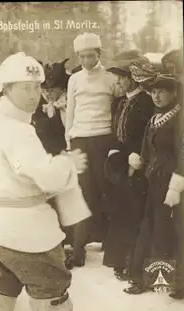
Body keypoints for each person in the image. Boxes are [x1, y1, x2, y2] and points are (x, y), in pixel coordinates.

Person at [0, 53, 89, 311]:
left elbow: (16, 171)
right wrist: (66, 164)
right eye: (25, 87)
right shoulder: (17, 130)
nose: (34, 94)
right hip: (28, 236)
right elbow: (39, 174)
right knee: (54, 304)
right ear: (6, 89)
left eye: (37, 87)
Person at [124, 57, 184, 299]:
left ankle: (179, 282)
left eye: (162, 92)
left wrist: (176, 185)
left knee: (170, 230)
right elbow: (146, 150)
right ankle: (146, 278)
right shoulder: (155, 117)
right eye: (153, 92)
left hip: (172, 184)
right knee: (151, 227)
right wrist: (137, 164)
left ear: (173, 94)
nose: (157, 96)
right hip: (154, 182)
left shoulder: (178, 119)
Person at [64, 33, 118, 268]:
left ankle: (111, 243)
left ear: (99, 54)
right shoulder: (74, 79)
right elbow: (70, 112)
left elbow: (117, 111)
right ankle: (78, 251)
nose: (87, 61)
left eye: (91, 56)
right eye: (82, 56)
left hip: (104, 139)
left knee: (105, 191)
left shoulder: (110, 79)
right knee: (83, 195)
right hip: (80, 141)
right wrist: (69, 141)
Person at [101, 50, 155, 281]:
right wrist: (114, 150)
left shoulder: (144, 101)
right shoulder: (120, 102)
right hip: (120, 163)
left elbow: (144, 135)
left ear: (132, 77)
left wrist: (137, 158)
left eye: (121, 77)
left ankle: (131, 261)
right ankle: (119, 260)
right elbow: (117, 132)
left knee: (133, 212)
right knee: (120, 210)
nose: (118, 82)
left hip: (136, 164)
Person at [31, 59, 69, 156]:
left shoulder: (67, 104)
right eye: (46, 90)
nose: (48, 94)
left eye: (52, 90)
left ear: (62, 90)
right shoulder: (45, 106)